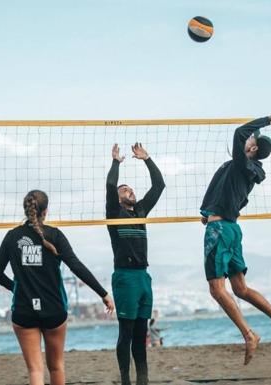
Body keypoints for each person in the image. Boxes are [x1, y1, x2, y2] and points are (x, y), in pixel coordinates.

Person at [0, 190, 115, 385]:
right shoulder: (55, 235)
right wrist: (103, 293)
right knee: (56, 366)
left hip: (24, 310)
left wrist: (17, 288)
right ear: (46, 211)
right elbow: (76, 266)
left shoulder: (12, 236)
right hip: (53, 308)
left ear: (27, 209)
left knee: (35, 370)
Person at [200, 116, 271, 366]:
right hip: (230, 228)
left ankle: (249, 335)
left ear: (252, 149)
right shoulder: (244, 169)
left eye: (251, 141)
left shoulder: (243, 163)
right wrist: (207, 212)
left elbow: (241, 131)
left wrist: (266, 121)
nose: (247, 141)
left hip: (219, 230)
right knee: (240, 289)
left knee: (217, 290)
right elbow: (231, 195)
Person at [106, 142, 165, 385]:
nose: (129, 191)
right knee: (126, 333)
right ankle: (125, 381)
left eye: (131, 189)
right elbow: (110, 185)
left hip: (143, 277)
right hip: (125, 277)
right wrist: (116, 163)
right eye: (125, 190)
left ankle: (143, 381)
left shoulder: (140, 210)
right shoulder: (114, 213)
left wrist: (147, 159)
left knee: (141, 334)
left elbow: (159, 185)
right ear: (118, 199)